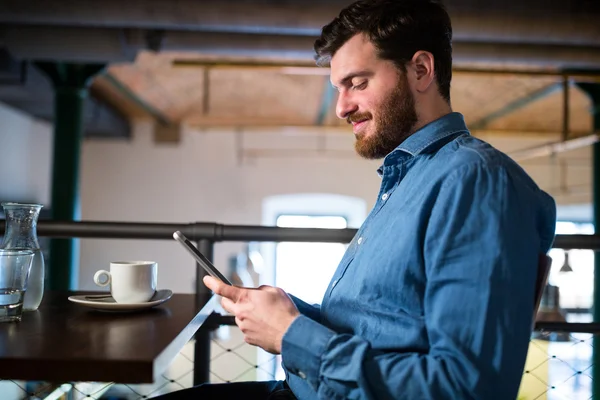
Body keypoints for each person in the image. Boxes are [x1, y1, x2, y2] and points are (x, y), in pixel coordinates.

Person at [156, 0, 556, 399]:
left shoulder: (476, 181)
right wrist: (287, 313)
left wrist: (292, 335)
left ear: (421, 70)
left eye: (358, 83)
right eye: (338, 88)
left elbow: (465, 387)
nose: (341, 107)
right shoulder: (412, 176)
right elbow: (380, 327)